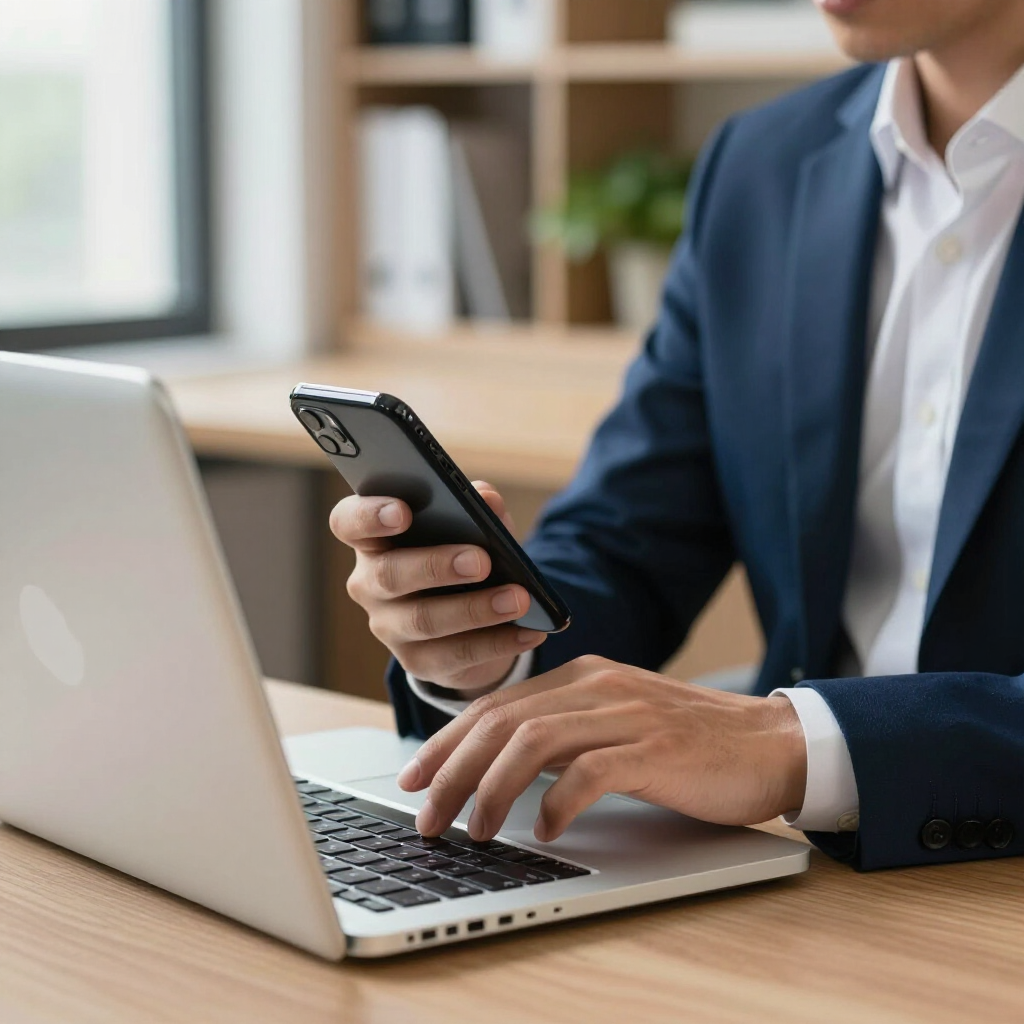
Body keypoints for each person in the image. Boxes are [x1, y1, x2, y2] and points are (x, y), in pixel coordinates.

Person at [332, 0, 1024, 871]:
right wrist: (487, 641)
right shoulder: (760, 167)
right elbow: (633, 537)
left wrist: (798, 743)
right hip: (805, 879)